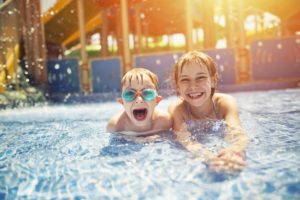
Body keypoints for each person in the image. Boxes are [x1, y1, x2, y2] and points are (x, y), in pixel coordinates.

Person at [168, 51, 249, 172]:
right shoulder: (178, 110)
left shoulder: (224, 103)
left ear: (213, 80)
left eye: (200, 78)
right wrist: (208, 157)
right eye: (185, 80)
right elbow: (185, 140)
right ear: (178, 86)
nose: (193, 86)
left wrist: (233, 151)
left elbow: (236, 132)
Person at [106, 67, 172, 137]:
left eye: (147, 93)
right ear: (122, 102)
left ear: (157, 100)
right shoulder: (116, 127)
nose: (139, 100)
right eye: (130, 94)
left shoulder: (164, 122)